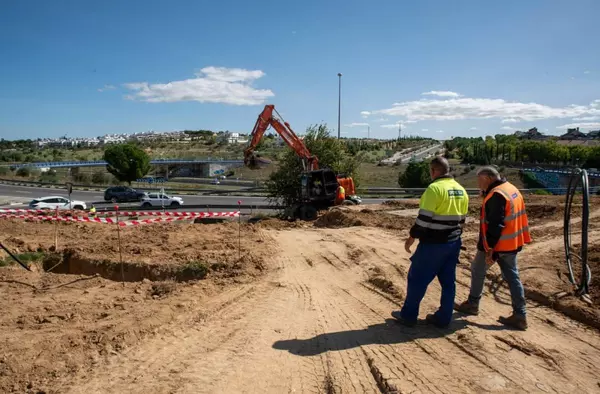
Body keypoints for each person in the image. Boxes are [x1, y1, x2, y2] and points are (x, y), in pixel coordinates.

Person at [392, 157, 469, 328]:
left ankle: (409, 316)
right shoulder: (461, 190)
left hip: (433, 244)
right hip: (453, 242)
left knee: (417, 279)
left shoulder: (434, 189)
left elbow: (423, 220)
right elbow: (462, 220)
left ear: (433, 171)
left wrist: (411, 237)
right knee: (448, 282)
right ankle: (443, 318)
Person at [454, 166, 531, 330]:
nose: (478, 184)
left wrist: (490, 249)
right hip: (512, 242)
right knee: (512, 275)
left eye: (479, 180)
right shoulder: (509, 188)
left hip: (498, 245)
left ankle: (473, 304)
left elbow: (495, 224)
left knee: (478, 269)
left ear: (488, 178)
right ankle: (520, 314)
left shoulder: (497, 195)